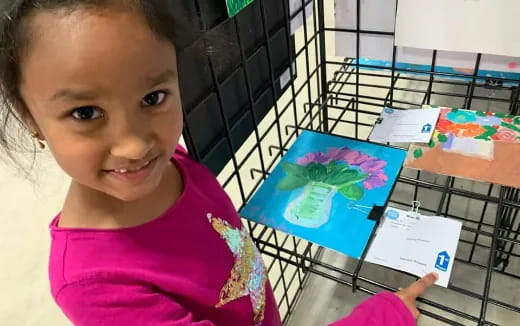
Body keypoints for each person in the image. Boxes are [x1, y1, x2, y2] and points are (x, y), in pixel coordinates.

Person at [0, 0, 438, 325]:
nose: (133, 145)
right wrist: (383, 316)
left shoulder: (171, 160)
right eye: (85, 113)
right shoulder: (96, 287)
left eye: (153, 98)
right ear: (29, 117)